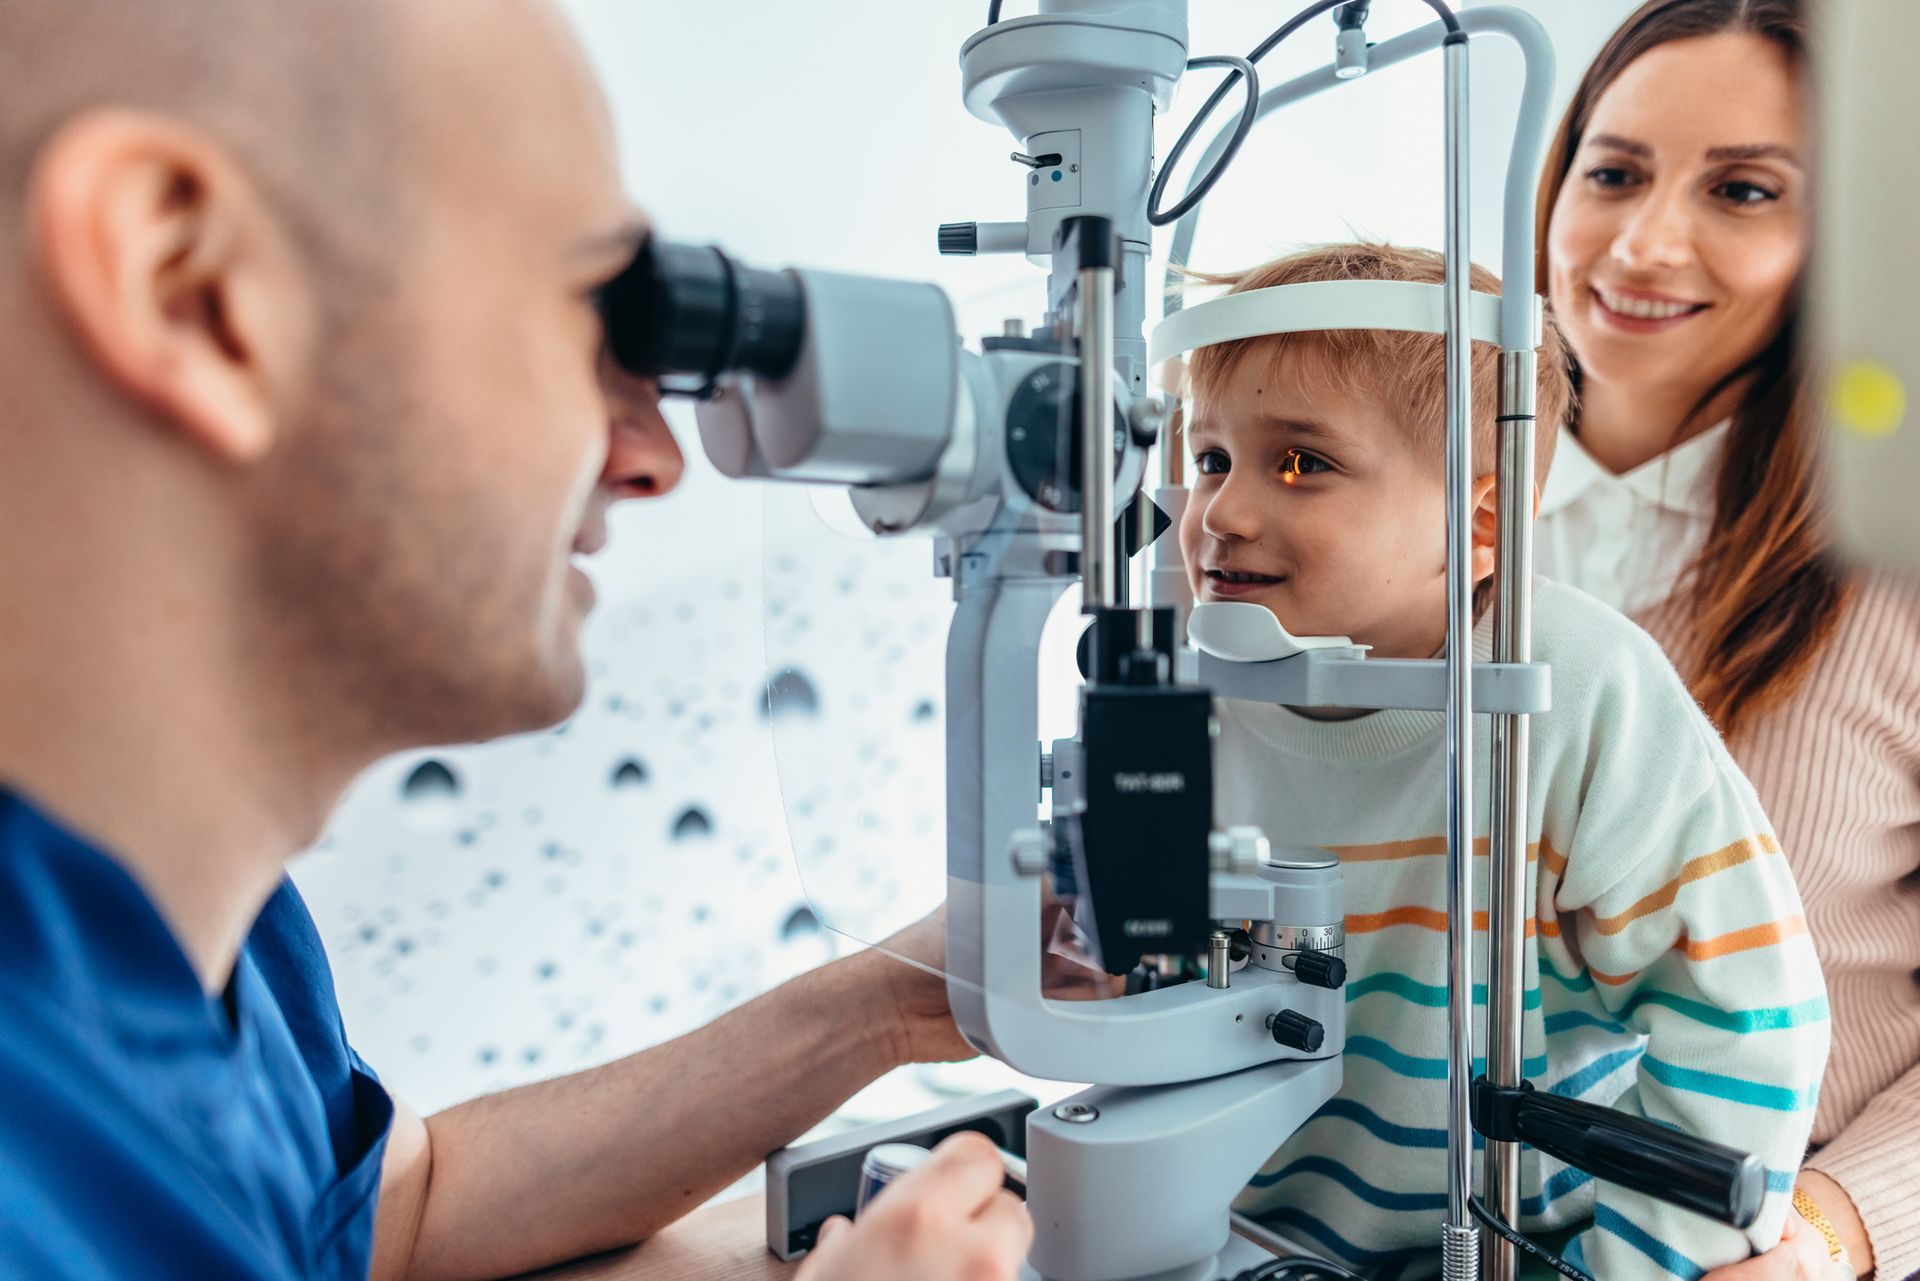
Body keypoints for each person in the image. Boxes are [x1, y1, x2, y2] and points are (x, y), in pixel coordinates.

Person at [0, 1, 1030, 1278]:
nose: (655, 460)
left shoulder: (187, 927)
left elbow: (396, 1215)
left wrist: (893, 998)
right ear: (194, 290)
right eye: (593, 310)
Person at [1181, 243, 1829, 1278]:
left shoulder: (1571, 684)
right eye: (1210, 458)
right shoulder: (1174, 678)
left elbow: (1745, 1015)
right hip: (1236, 1235)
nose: (1222, 513)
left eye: (1300, 462)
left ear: (1479, 522)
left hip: (1524, 1245)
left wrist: (1640, 1267)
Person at [1532, 2, 1920, 1276]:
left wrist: (1830, 1232)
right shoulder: (1395, 536)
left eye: (1745, 191)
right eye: (1616, 172)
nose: (1645, 243)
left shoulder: (1894, 575)